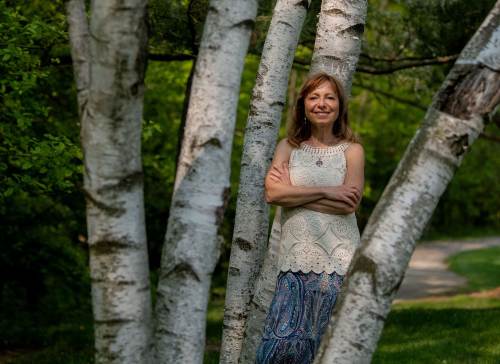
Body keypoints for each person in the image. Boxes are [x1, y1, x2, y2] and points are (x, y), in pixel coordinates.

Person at [255, 72, 364, 364]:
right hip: (294, 261)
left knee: (329, 350)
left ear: (340, 105)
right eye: (314, 97)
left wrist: (295, 193)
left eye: (329, 97)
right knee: (278, 351)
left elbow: (348, 204)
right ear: (303, 104)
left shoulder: (352, 151)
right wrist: (328, 190)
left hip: (338, 262)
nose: (322, 104)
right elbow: (273, 195)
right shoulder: (287, 147)